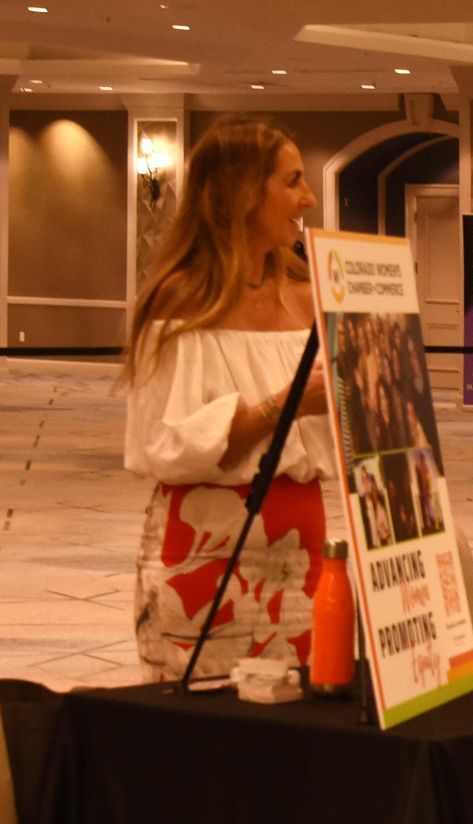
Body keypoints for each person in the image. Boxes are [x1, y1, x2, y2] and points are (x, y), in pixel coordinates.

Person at [124, 116, 332, 681]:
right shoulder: (181, 300)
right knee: (206, 727)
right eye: (292, 182)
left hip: (303, 546)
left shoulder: (311, 299)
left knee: (306, 719)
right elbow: (163, 443)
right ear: (241, 191)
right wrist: (282, 404)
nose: (308, 198)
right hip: (206, 547)